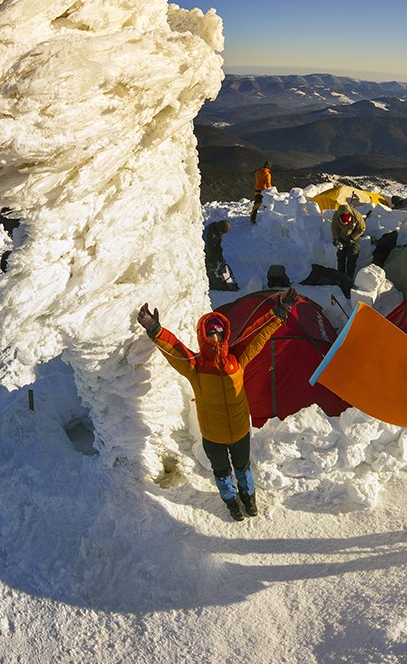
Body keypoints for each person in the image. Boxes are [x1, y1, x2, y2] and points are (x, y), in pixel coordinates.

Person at [136, 288, 299, 521]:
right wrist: (154, 329)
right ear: (203, 336)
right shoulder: (195, 367)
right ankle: (231, 502)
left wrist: (280, 311)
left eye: (218, 334)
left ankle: (249, 498)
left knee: (243, 468)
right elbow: (175, 350)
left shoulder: (237, 358)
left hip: (241, 429)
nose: (215, 338)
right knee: (222, 472)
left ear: (225, 335)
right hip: (213, 436)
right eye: (210, 334)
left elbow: (258, 334)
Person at [331, 201, 366, 279]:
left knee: (352, 258)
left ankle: (348, 278)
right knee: (341, 258)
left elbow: (361, 228)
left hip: (354, 237)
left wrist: (353, 238)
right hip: (342, 237)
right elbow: (334, 228)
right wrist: (336, 239)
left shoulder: (357, 216)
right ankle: (340, 277)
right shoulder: (336, 216)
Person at [203, 220, 239, 291]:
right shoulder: (210, 234)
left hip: (211, 249)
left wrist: (219, 253)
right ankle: (214, 283)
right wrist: (214, 258)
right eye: (222, 232)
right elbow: (209, 249)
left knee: (220, 263)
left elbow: (218, 243)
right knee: (213, 267)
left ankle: (222, 279)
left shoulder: (218, 229)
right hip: (205, 251)